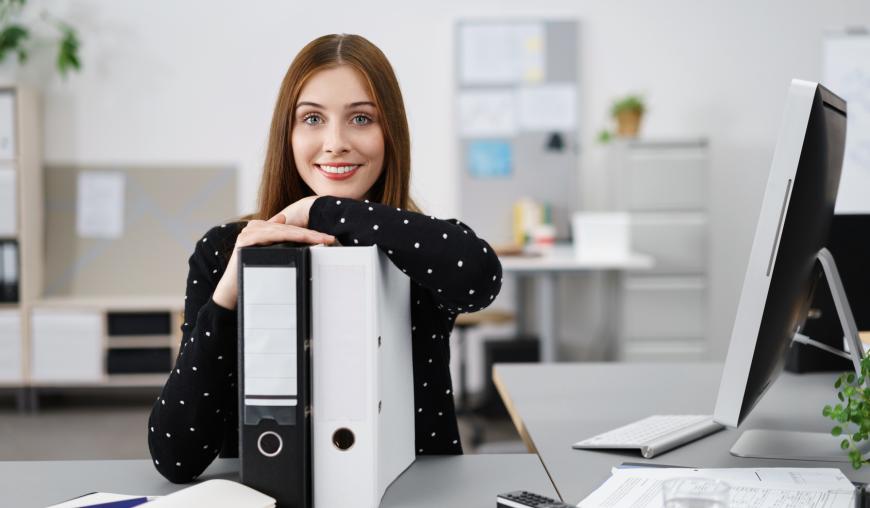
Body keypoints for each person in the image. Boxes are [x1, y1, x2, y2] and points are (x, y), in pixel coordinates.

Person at [148, 33, 503, 483]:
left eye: (360, 118)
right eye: (312, 118)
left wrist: (319, 209)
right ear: (288, 134)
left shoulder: (416, 247)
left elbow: (479, 277)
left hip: (412, 491)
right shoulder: (224, 250)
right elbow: (175, 457)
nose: (335, 142)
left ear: (390, 131)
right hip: (271, 488)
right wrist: (226, 299)